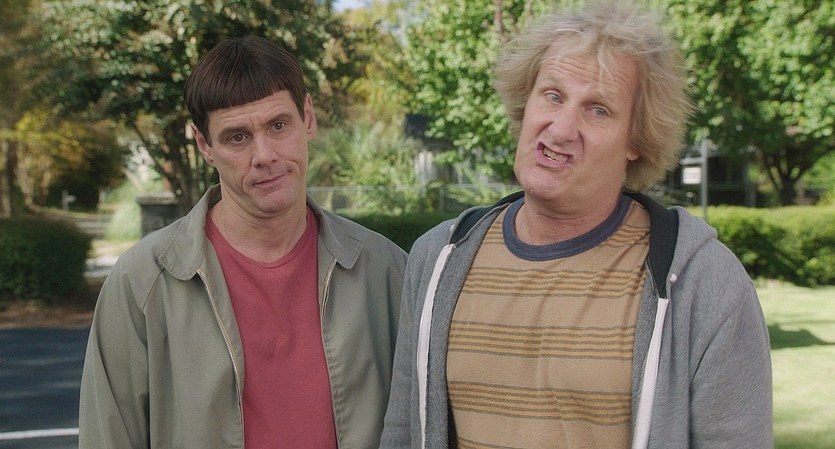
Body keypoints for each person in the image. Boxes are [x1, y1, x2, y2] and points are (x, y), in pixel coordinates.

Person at [380, 2, 772, 448]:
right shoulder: (438, 260)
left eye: (598, 110)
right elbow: (404, 432)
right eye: (552, 95)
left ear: (636, 140)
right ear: (525, 101)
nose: (562, 128)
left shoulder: (703, 282)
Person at [79, 36, 407, 449]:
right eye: (238, 137)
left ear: (307, 118)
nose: (264, 155)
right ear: (205, 145)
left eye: (278, 125)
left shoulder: (387, 272)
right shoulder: (143, 282)